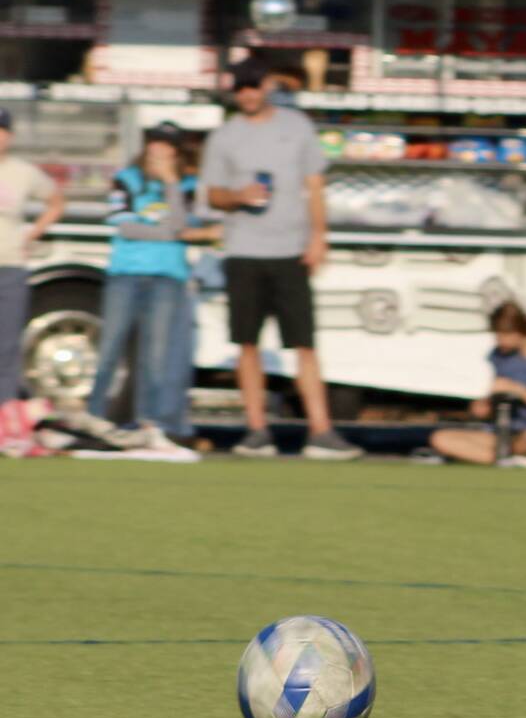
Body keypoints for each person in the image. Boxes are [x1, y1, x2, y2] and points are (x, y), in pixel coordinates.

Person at [201, 60, 360, 460]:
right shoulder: (224, 137)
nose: (248, 94)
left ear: (267, 86)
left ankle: (321, 432)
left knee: (304, 344)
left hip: (290, 250)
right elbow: (213, 195)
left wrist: (319, 236)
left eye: (254, 86)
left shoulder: (296, 126)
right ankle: (257, 431)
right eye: (240, 88)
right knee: (247, 345)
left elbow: (314, 185)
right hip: (244, 251)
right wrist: (238, 196)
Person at [86, 123, 218, 438]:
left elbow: (184, 224)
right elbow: (125, 227)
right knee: (110, 346)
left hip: (168, 276)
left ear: (175, 152)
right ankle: (94, 415)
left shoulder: (186, 184)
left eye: (166, 146)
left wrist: (171, 183)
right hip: (126, 274)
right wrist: (168, 233)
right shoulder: (126, 179)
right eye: (154, 143)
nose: (159, 150)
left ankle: (149, 423)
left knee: (156, 355)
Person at [427, 301, 526, 464]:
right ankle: (509, 459)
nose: (500, 341)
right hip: (500, 434)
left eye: (505, 335)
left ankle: (507, 457)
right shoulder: (498, 355)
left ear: (520, 332)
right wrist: (485, 406)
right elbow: (494, 400)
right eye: (497, 335)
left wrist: (519, 391)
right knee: (440, 439)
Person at [0, 106, 63, 404]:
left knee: (6, 345)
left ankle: (5, 418)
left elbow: (56, 201)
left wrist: (32, 234)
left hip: (10, 265)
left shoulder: (23, 172)